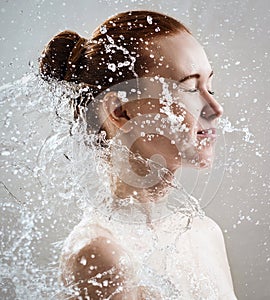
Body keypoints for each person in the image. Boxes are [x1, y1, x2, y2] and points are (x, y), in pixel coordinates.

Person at [39, 10, 237, 299]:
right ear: (119, 111)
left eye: (210, 85)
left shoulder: (205, 233)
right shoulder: (101, 253)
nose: (215, 108)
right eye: (190, 89)